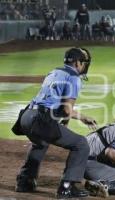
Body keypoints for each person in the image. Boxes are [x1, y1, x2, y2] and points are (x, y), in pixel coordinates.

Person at [13, 47, 98, 199]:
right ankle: (67, 187)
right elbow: (67, 110)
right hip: (40, 120)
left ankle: (25, 181)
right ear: (78, 63)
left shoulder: (54, 72)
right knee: (81, 144)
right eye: (84, 63)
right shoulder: (74, 77)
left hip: (26, 116)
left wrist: (63, 124)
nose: (85, 66)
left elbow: (55, 104)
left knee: (41, 142)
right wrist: (83, 117)